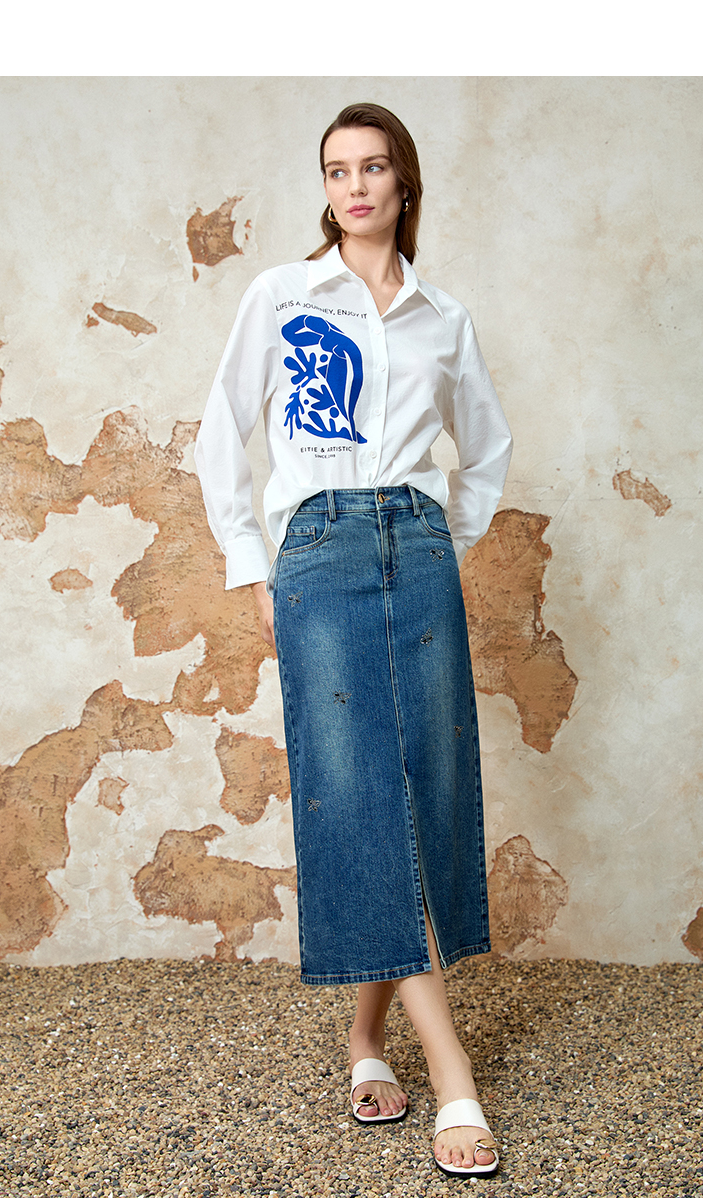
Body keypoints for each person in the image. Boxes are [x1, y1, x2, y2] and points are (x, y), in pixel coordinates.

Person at [195, 102, 513, 1178]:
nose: (356, 187)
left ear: (403, 183)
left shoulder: (443, 319)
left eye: (374, 168)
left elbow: (487, 450)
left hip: (416, 550)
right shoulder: (282, 296)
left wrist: (438, 542)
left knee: (425, 789)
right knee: (359, 790)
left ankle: (365, 1037)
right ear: (325, 189)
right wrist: (253, 563)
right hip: (320, 552)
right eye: (337, 171)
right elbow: (221, 431)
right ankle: (453, 1072)